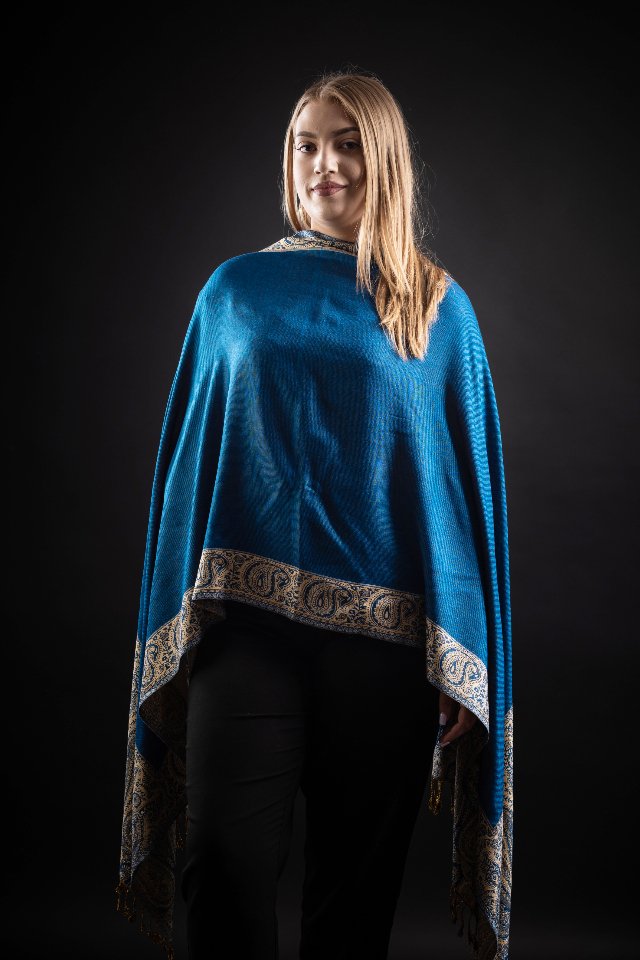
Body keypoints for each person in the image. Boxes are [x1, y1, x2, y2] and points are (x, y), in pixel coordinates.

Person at [116, 69, 513, 960]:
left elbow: (460, 494)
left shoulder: (437, 306)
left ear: (385, 162)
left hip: (386, 651)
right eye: (307, 145)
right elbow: (186, 469)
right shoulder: (234, 292)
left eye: (346, 145)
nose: (323, 164)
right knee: (222, 869)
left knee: (353, 902)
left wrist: (461, 647)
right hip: (247, 639)